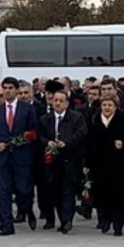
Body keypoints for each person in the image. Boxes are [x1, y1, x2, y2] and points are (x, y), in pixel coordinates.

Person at [0, 77, 40, 236]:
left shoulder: (27, 109)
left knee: (23, 189)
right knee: (4, 190)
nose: (7, 91)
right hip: (2, 157)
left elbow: (34, 130)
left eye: (10, 88)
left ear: (16, 90)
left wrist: (25, 138)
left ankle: (27, 209)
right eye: (5, 88)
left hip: (21, 155)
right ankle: (6, 223)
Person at [85, 95, 124, 236]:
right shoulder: (95, 121)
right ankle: (104, 220)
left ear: (115, 107)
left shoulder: (123, 121)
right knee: (101, 194)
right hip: (99, 165)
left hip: (119, 166)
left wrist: (123, 144)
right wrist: (87, 163)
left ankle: (118, 224)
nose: (107, 108)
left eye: (110, 105)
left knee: (119, 196)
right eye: (104, 105)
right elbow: (89, 144)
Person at [38, 88, 87, 233]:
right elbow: (39, 136)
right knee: (55, 192)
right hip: (52, 162)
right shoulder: (45, 119)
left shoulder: (76, 117)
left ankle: (67, 220)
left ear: (67, 103)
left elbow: (81, 134)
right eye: (55, 100)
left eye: (61, 101)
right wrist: (48, 142)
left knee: (68, 191)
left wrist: (66, 142)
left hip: (70, 160)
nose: (57, 103)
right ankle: (60, 218)